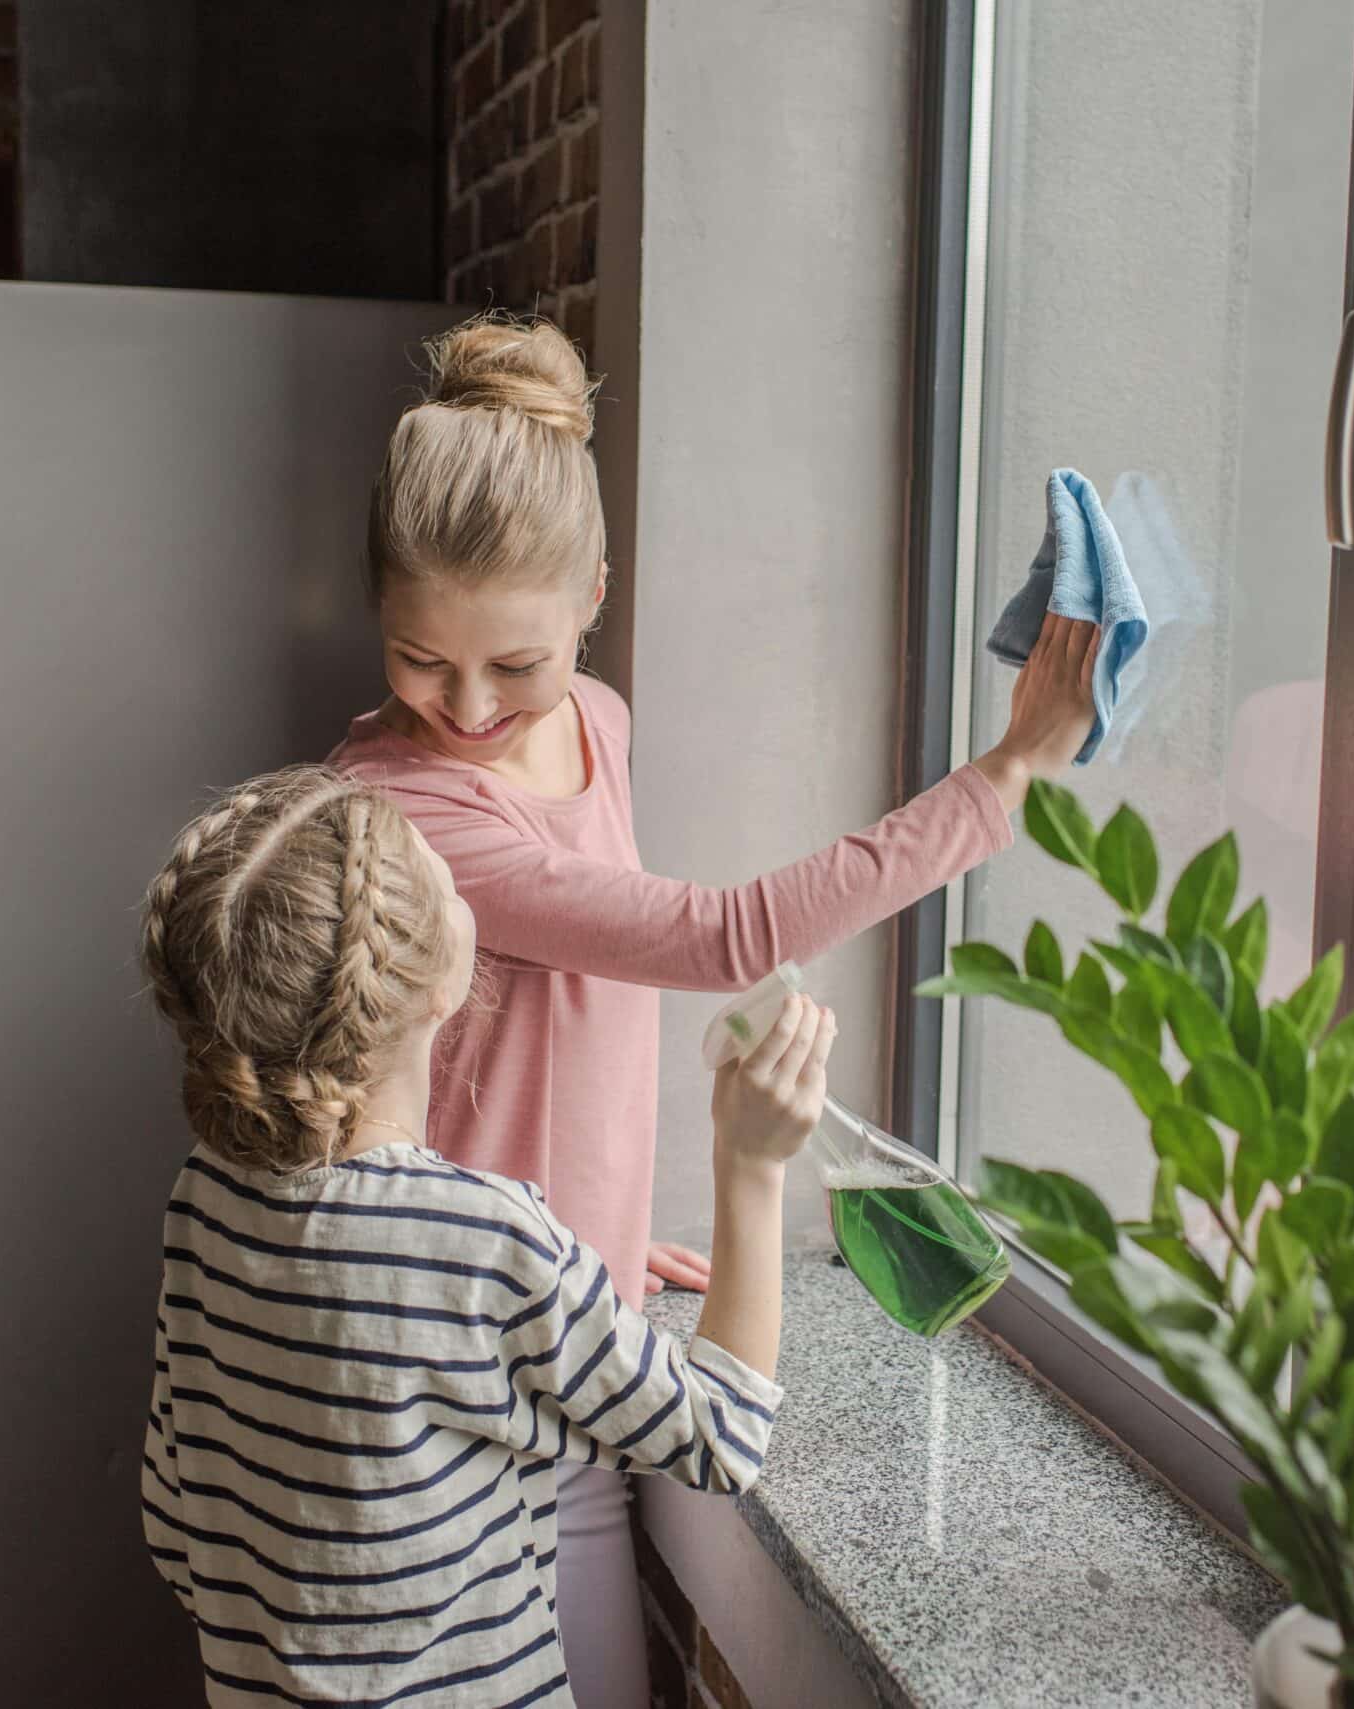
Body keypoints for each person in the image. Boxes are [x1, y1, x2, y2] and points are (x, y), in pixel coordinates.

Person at [328, 315, 1099, 1705]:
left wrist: (616, 1225)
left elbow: (554, 1018)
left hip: (564, 1325)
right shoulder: (401, 801)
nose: (467, 706)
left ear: (594, 601)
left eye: (516, 664)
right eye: (418, 658)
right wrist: (1005, 776)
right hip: (457, 1373)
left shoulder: (601, 723)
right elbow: (718, 938)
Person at [137, 765, 836, 1708]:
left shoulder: (204, 1198)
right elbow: (721, 1433)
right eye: (443, 873)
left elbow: (176, 1523)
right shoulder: (485, 1240)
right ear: (433, 986)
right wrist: (750, 1164)